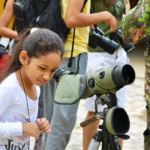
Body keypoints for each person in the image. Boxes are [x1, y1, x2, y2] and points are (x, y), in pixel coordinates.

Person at [42, 0, 118, 150]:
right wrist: (105, 15)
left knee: (51, 119)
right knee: (63, 120)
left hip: (51, 49)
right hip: (71, 55)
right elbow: (71, 18)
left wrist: (88, 19)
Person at [0, 28, 64, 150]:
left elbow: (25, 121)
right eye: (42, 68)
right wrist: (22, 128)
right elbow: (22, 127)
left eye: (53, 71)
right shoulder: (9, 88)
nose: (47, 76)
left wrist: (38, 124)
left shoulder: (36, 89)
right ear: (24, 58)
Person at [83, 0, 131, 150]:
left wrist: (127, 10)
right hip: (99, 53)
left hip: (118, 51)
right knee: (94, 110)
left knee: (118, 110)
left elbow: (125, 5)